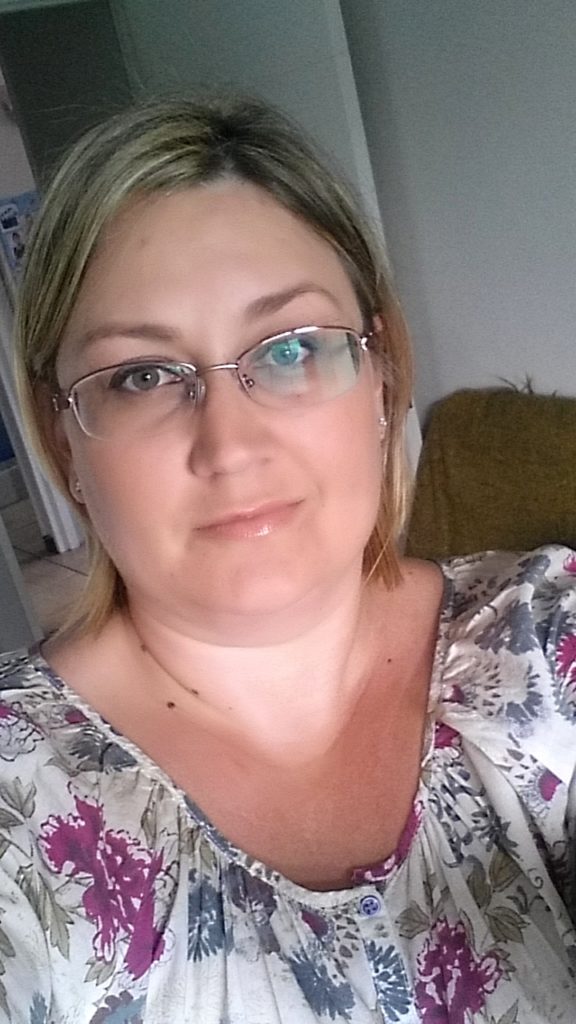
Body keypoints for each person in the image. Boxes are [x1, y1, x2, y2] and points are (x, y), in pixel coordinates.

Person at [0, 97, 575, 1024]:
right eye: (142, 376)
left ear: (384, 373)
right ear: (62, 437)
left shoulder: (543, 643)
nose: (230, 446)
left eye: (292, 348)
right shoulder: (21, 803)